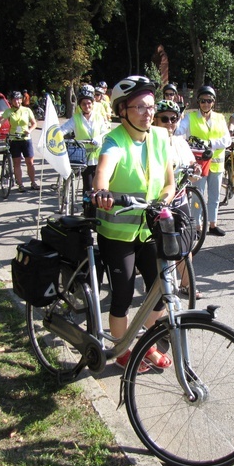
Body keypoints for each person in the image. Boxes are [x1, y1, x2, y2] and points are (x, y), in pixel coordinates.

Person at [91, 76, 176, 371]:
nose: (148, 112)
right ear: (122, 110)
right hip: (116, 235)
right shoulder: (115, 140)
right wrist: (101, 191)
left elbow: (169, 183)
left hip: (148, 229)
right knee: (123, 297)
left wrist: (165, 200)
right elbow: (104, 169)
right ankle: (122, 350)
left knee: (160, 291)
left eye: (151, 106)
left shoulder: (160, 137)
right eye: (139, 106)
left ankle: (147, 345)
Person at [153, 99, 203, 299]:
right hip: (158, 202)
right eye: (164, 119)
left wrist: (195, 168)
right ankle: (157, 290)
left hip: (180, 198)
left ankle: (186, 284)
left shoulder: (181, 141)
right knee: (157, 248)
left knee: (184, 243)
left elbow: (192, 164)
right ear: (155, 120)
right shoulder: (150, 141)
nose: (170, 123)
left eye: (174, 119)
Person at [176, 85, 232, 236]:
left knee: (214, 197)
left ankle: (213, 224)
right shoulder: (190, 117)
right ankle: (197, 227)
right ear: (198, 102)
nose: (206, 104)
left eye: (209, 101)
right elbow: (178, 131)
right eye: (202, 101)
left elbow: (227, 140)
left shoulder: (220, 118)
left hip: (216, 165)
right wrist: (177, 115)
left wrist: (211, 144)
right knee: (197, 196)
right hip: (198, 164)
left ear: (213, 102)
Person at [61, 85, 110, 192]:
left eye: (89, 103)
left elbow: (105, 133)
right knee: (88, 186)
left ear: (93, 104)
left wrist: (99, 138)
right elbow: (63, 129)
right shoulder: (76, 118)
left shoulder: (98, 117)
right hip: (83, 158)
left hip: (98, 156)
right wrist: (54, 134)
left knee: (99, 185)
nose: (87, 106)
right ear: (80, 105)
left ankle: (96, 206)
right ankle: (87, 206)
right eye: (84, 104)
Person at [0, 91, 39, 192]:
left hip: (26, 139)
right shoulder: (8, 111)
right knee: (17, 163)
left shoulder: (27, 110)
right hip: (14, 139)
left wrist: (29, 130)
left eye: (18, 99)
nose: (16, 101)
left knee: (30, 162)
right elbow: (1, 122)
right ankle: (20, 184)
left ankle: (33, 182)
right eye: (14, 99)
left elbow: (34, 123)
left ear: (21, 100)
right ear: (11, 101)